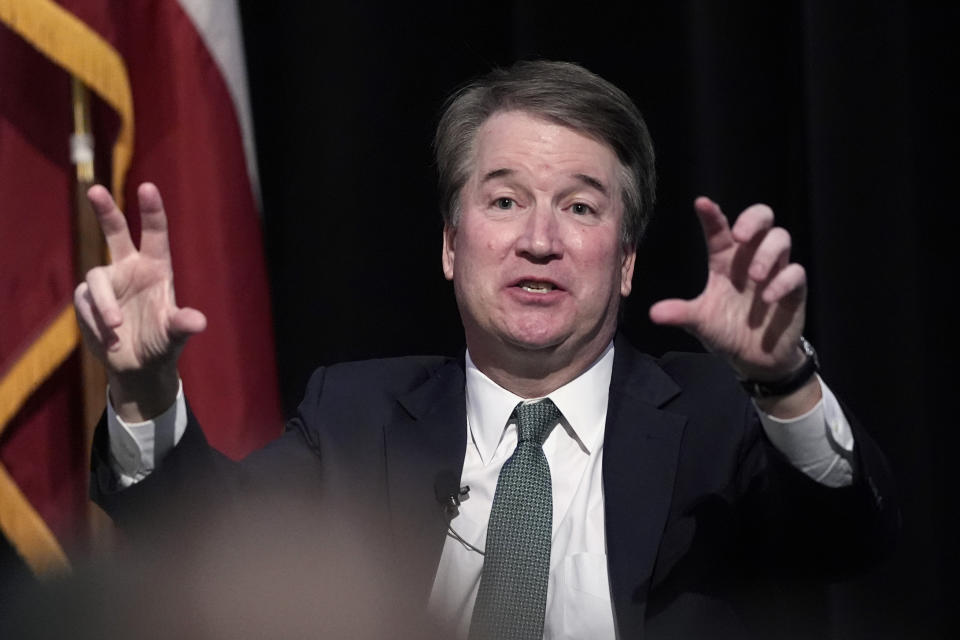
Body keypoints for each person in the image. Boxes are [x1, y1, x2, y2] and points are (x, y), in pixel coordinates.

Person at [75, 61, 894, 639]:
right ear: (450, 245)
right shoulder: (355, 416)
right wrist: (145, 391)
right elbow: (205, 550)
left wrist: (783, 381)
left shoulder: (717, 421)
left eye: (579, 207)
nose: (539, 240)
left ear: (627, 262)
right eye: (504, 200)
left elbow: (845, 540)